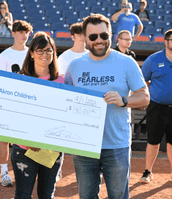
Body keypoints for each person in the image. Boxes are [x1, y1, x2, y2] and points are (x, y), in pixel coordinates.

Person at [64, 14, 150, 199]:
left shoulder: (126, 62)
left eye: (104, 35)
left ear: (111, 34)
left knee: (118, 196)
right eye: (93, 37)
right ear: (85, 38)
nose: (99, 41)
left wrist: (124, 100)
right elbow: (65, 101)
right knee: (86, 196)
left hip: (116, 145)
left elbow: (144, 97)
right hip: (84, 145)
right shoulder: (75, 67)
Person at [11, 31, 63, 199]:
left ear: (54, 53)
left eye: (48, 50)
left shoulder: (62, 81)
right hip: (24, 149)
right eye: (40, 50)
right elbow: (13, 114)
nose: (44, 54)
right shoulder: (19, 80)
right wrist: (27, 138)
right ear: (31, 53)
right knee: (22, 195)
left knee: (46, 196)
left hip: (52, 151)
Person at [0, 19, 33, 187]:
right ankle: (4, 172)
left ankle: (25, 173)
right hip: (9, 102)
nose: (24, 35)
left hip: (28, 104)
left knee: (28, 139)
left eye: (26, 32)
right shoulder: (5, 55)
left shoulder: (32, 53)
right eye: (20, 32)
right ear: (13, 34)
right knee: (4, 138)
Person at [140, 29, 172, 183]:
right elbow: (143, 81)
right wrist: (146, 99)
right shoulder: (152, 60)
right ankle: (148, 172)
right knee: (153, 141)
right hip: (157, 107)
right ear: (165, 42)